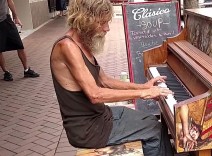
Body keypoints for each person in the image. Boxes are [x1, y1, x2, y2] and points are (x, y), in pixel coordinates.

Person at [50, 0, 174, 155]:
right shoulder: (67, 46)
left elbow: (105, 80)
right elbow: (95, 94)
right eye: (101, 23)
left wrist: (144, 87)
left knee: (151, 120)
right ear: (85, 19)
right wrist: (144, 94)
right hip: (88, 130)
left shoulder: (82, 43)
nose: (107, 28)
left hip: (101, 116)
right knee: (154, 130)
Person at [0, 0, 39, 81]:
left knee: (19, 45)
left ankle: (26, 70)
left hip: (7, 20)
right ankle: (6, 72)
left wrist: (16, 17)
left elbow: (9, 1)